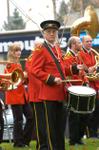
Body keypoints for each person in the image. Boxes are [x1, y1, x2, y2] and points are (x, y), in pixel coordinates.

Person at [30, 20, 67, 150]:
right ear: (44, 34)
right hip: (48, 93)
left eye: (54, 32)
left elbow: (61, 68)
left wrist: (74, 68)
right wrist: (51, 79)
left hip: (60, 93)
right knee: (50, 128)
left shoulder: (56, 48)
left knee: (59, 127)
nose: (52, 34)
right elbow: (34, 69)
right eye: (49, 32)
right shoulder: (41, 49)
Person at [5, 42, 34, 148]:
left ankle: (25, 140)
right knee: (19, 120)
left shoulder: (17, 64)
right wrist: (23, 76)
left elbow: (21, 80)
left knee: (30, 117)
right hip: (14, 96)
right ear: (12, 52)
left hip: (22, 96)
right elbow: (12, 80)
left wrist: (25, 78)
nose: (19, 52)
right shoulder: (9, 64)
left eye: (19, 50)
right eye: (16, 50)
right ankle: (18, 142)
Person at [64, 36, 89, 145]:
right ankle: (73, 140)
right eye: (79, 43)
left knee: (84, 114)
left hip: (81, 88)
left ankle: (78, 137)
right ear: (73, 45)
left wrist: (86, 81)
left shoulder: (78, 56)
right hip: (74, 90)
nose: (81, 44)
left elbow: (82, 71)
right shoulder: (67, 57)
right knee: (75, 116)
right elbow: (68, 74)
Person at [79, 34, 99, 138]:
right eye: (87, 41)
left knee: (96, 111)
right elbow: (79, 67)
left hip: (95, 84)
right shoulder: (79, 53)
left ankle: (94, 133)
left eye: (91, 41)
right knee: (89, 111)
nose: (90, 43)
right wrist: (88, 70)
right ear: (82, 42)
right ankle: (89, 134)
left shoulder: (93, 53)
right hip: (86, 84)